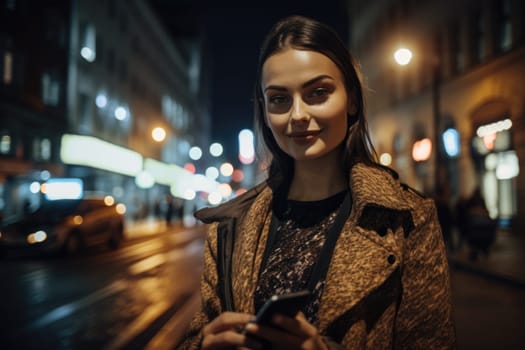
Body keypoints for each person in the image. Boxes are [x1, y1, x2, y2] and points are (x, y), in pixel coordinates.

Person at [178, 15, 455, 349]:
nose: (297, 115)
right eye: (279, 99)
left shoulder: (409, 217)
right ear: (265, 110)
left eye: (318, 93)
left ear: (351, 100)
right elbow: (198, 332)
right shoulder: (230, 224)